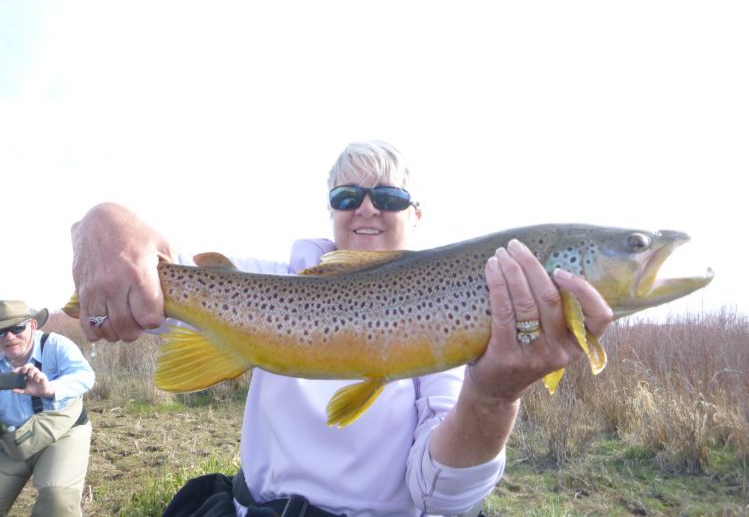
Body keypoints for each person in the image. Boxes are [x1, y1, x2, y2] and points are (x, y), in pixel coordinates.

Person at [70, 140, 613, 517]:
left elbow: (443, 498)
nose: (367, 209)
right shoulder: (279, 278)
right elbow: (154, 271)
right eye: (347, 197)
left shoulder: (459, 312)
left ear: (417, 213)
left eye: (390, 196)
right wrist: (104, 219)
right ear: (330, 211)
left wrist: (492, 399)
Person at [0, 300, 95, 517]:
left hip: (63, 434)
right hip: (13, 442)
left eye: (17, 328)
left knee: (58, 499)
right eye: (1, 331)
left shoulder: (55, 345)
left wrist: (50, 388)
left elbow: (85, 376)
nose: (9, 337)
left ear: (33, 325)